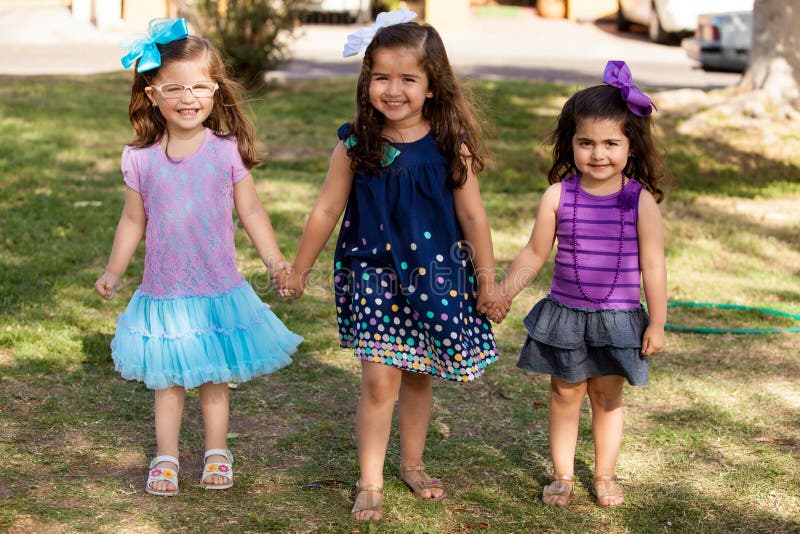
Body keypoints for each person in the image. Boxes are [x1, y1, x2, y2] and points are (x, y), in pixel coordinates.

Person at [273, 9, 505, 521]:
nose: (392, 89)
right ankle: (370, 481)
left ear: (432, 86)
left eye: (408, 78)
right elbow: (326, 209)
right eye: (381, 77)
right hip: (373, 275)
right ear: (366, 79)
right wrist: (299, 267)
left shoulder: (450, 145)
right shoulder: (357, 142)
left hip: (436, 276)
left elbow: (473, 216)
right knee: (380, 381)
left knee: (419, 374)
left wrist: (489, 282)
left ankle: (413, 463)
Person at [94, 18, 302, 496]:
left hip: (215, 290)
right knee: (167, 381)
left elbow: (250, 210)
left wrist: (275, 263)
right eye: (175, 88)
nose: (188, 98)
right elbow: (133, 221)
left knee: (213, 378)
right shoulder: (141, 158)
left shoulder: (226, 151)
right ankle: (165, 457)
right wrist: (113, 270)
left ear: (215, 90)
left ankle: (216, 452)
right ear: (153, 95)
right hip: (165, 292)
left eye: (199, 87)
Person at [483, 61, 668, 508]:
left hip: (618, 319)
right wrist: (504, 290)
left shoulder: (639, 201)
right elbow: (533, 252)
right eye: (586, 143)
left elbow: (654, 266)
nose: (598, 153)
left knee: (606, 396)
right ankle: (563, 475)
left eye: (610, 143)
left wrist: (657, 322)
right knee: (565, 392)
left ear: (631, 145)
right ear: (571, 143)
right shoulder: (558, 196)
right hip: (566, 316)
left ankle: (604, 474)